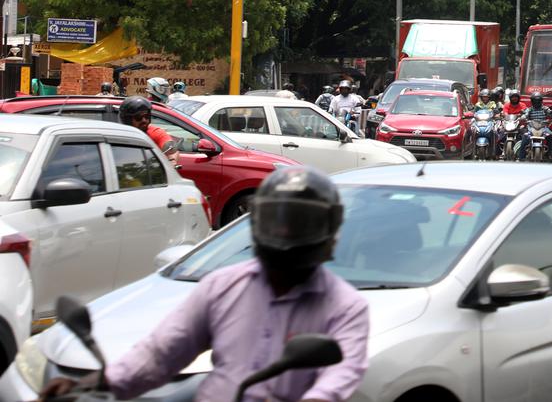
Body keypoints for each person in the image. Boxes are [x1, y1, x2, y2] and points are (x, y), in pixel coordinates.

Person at [38, 166, 370, 402]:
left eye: (299, 224)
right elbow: (163, 352)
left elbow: (339, 377)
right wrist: (99, 381)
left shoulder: (345, 307)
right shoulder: (223, 285)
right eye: (277, 221)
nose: (285, 233)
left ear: (328, 229)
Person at [118, 96, 179, 162]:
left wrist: (172, 160)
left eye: (147, 116)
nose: (144, 120)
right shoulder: (117, 135)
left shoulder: (155, 132)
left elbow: (171, 150)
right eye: (138, 117)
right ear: (127, 120)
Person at [519, 92, 552, 160]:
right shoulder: (529, 109)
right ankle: (521, 157)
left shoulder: (545, 108)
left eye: (538, 100)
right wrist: (523, 117)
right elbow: (525, 114)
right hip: (531, 128)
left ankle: (550, 154)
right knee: (525, 137)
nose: (536, 102)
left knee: (551, 136)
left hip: (543, 128)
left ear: (541, 101)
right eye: (534, 101)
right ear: (532, 101)